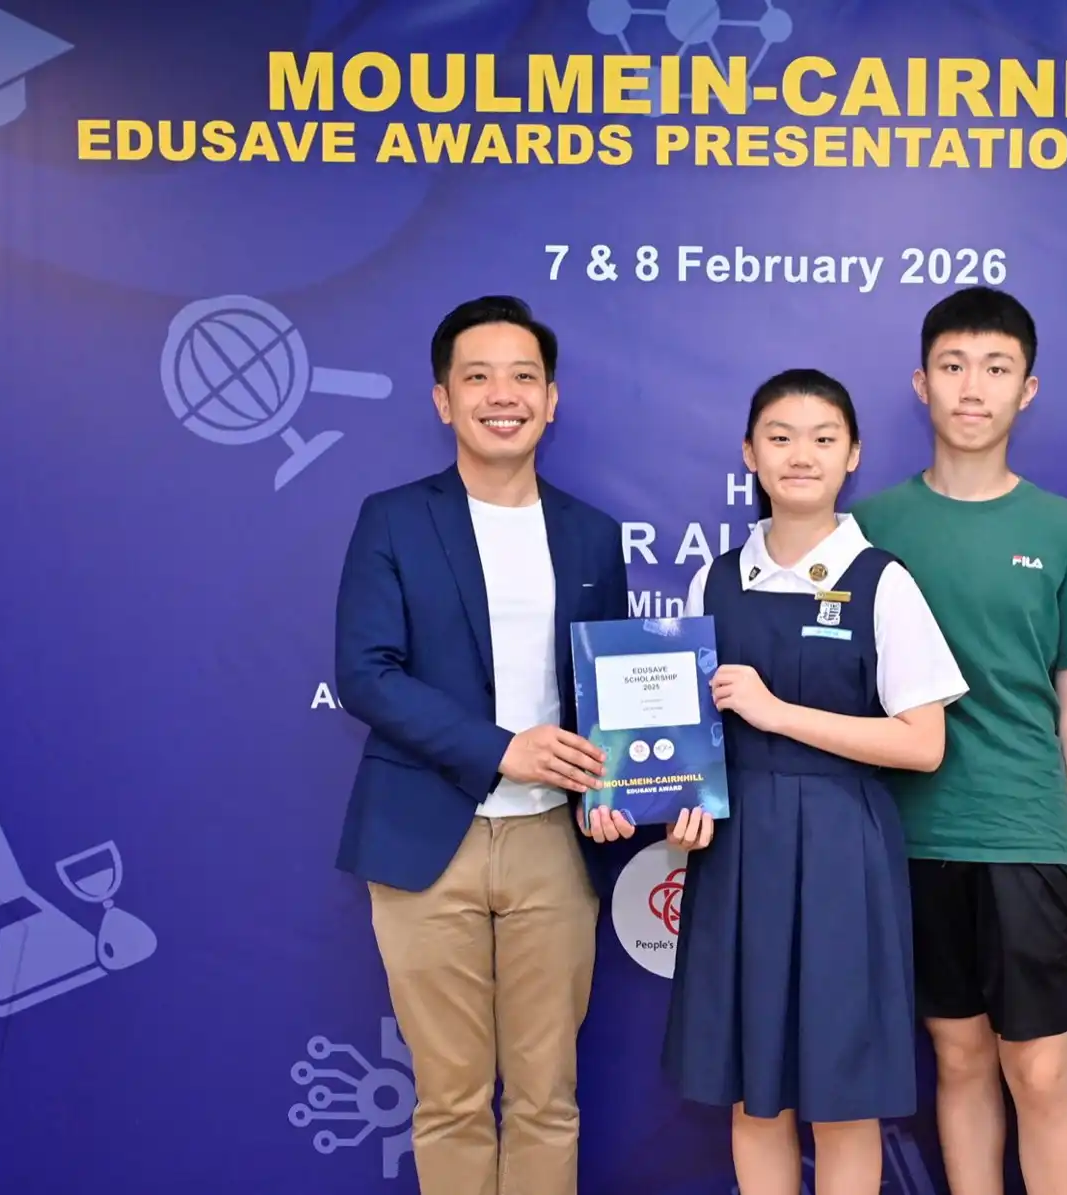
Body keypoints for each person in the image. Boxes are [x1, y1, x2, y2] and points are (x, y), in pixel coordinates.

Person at [331, 295, 636, 1195]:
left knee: (547, 1099)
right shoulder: (393, 518)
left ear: (551, 399)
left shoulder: (592, 533)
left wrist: (623, 779)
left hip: (554, 844)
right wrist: (503, 749)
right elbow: (366, 673)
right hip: (425, 837)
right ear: (443, 399)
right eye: (478, 377)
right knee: (451, 1100)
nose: (502, 395)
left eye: (523, 377)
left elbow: (611, 690)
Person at [660, 368, 969, 1195]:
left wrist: (777, 711)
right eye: (781, 437)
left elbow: (923, 743)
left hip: (842, 846)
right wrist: (685, 799)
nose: (802, 455)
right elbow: (689, 737)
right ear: (749, 453)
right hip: (738, 851)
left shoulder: (882, 580)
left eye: (824, 438)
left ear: (853, 455)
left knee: (842, 1095)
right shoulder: (715, 579)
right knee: (754, 1090)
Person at [851, 286, 1067, 1195]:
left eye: (996, 369)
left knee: (1039, 1069)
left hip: (1026, 838)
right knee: (958, 1057)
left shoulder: (1064, 528)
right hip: (908, 837)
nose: (973, 388)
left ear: (1027, 390)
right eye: (954, 366)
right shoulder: (869, 527)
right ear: (920, 382)